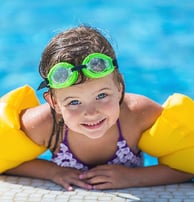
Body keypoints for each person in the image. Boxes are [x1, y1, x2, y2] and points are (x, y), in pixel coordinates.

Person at [4, 25, 194, 191]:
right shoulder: (45, 125)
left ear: (119, 89)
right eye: (74, 102)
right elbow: (4, 161)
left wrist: (134, 178)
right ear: (54, 103)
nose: (91, 112)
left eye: (102, 96)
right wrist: (52, 172)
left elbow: (187, 166)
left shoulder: (139, 116)